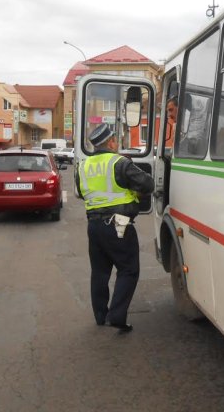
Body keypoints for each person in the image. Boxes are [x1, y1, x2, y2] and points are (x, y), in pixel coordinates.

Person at [75, 123, 154, 333]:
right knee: (128, 270)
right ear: (111, 142)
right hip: (119, 223)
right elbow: (148, 184)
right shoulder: (119, 162)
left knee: (99, 272)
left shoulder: (83, 165)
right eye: (115, 140)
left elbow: (82, 193)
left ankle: (101, 316)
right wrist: (134, 193)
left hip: (94, 225)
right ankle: (117, 316)